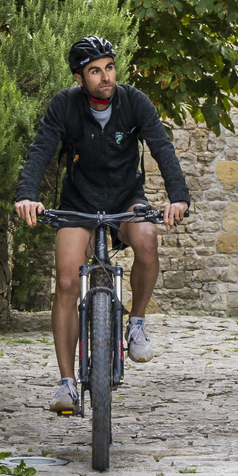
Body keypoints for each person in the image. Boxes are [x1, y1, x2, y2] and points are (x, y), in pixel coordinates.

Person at [14, 35, 191, 417]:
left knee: (147, 241)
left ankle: (137, 323)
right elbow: (42, 149)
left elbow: (162, 147)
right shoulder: (65, 105)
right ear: (80, 78)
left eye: (109, 67)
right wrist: (26, 194)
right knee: (65, 281)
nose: (105, 76)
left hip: (126, 197)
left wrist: (179, 197)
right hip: (78, 202)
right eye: (95, 71)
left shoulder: (134, 102)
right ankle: (66, 383)